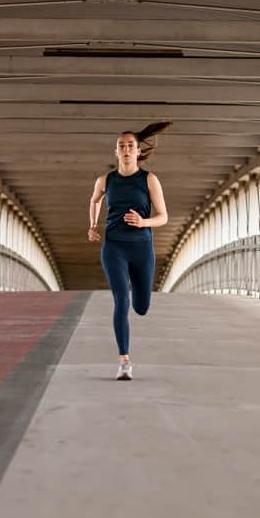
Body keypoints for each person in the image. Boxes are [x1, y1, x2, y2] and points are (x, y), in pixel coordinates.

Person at [88, 124, 170, 380]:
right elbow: (95, 200)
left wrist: (143, 222)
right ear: (116, 152)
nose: (126, 149)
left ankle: (137, 289)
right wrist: (92, 226)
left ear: (137, 151)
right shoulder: (105, 180)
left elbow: (164, 217)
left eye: (130, 146)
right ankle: (124, 360)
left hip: (142, 248)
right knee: (121, 301)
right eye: (121, 146)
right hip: (113, 247)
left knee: (141, 307)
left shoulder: (149, 180)